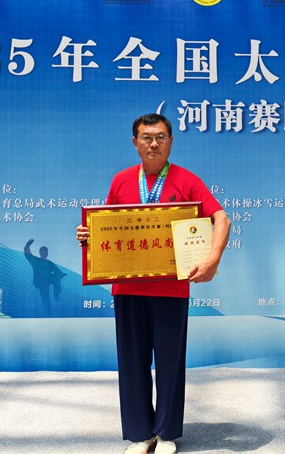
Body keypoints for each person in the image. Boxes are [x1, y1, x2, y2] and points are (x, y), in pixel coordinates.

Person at [76, 113, 230, 454]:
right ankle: (140, 434)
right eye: (146, 137)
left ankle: (167, 433)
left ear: (171, 141)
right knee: (132, 361)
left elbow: (221, 218)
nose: (154, 143)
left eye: (161, 137)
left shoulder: (187, 180)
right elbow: (107, 228)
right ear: (135, 143)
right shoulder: (121, 181)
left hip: (171, 289)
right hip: (127, 287)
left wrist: (213, 259)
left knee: (170, 362)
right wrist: (88, 234)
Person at [24, 238, 65, 315]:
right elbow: (28, 255)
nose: (46, 253)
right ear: (40, 253)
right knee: (45, 294)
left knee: (56, 276)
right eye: (44, 252)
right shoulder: (36, 260)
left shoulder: (49, 263)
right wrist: (27, 245)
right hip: (39, 282)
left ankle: (56, 293)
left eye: (46, 252)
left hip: (47, 280)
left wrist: (61, 274)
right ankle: (47, 309)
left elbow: (56, 271)